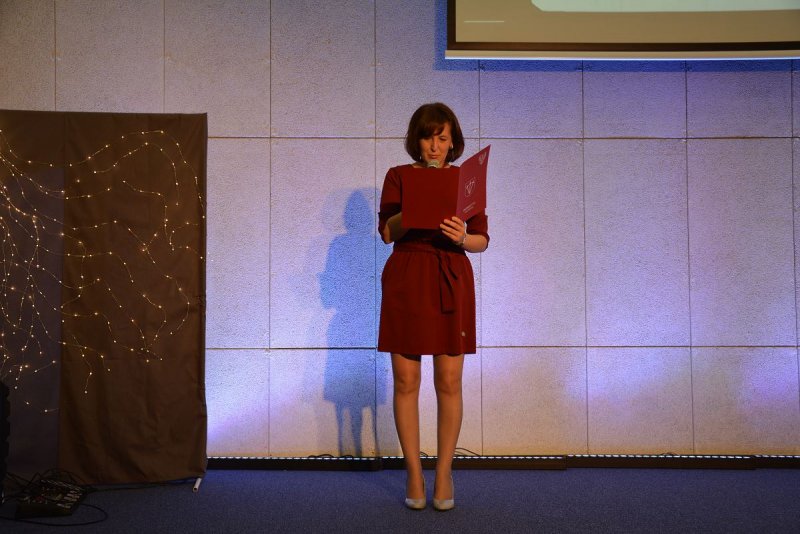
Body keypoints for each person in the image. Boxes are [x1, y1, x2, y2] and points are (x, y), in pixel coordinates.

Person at [377, 102, 489, 511]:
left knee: (449, 380)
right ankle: (413, 472)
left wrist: (461, 236)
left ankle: (443, 472)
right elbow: (386, 232)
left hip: (450, 274)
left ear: (453, 142)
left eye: (442, 138)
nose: (435, 145)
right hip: (408, 274)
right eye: (427, 137)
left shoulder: (464, 180)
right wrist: (414, 210)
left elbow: (481, 239)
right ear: (416, 140)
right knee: (406, 380)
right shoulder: (398, 175)